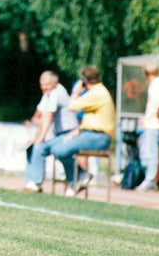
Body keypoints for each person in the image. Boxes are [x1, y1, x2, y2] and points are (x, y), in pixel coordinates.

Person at [40, 65, 115, 197]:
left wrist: (75, 92)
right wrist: (77, 131)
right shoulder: (98, 92)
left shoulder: (97, 93)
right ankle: (79, 178)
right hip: (90, 133)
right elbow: (94, 119)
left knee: (59, 150)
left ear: (84, 81)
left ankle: (79, 177)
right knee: (57, 147)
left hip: (98, 137)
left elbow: (71, 106)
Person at [22, 71, 79, 192]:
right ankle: (29, 182)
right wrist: (36, 136)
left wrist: (40, 138)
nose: (43, 87)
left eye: (46, 84)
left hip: (69, 132)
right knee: (32, 147)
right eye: (42, 84)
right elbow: (38, 116)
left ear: (55, 83)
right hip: (59, 134)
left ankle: (36, 183)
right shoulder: (47, 93)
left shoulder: (56, 92)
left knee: (39, 147)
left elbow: (48, 116)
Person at [135, 63, 159, 192]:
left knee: (150, 153)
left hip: (155, 124)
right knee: (145, 153)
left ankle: (149, 180)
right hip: (150, 123)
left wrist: (157, 113)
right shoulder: (155, 84)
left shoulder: (158, 84)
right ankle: (147, 178)